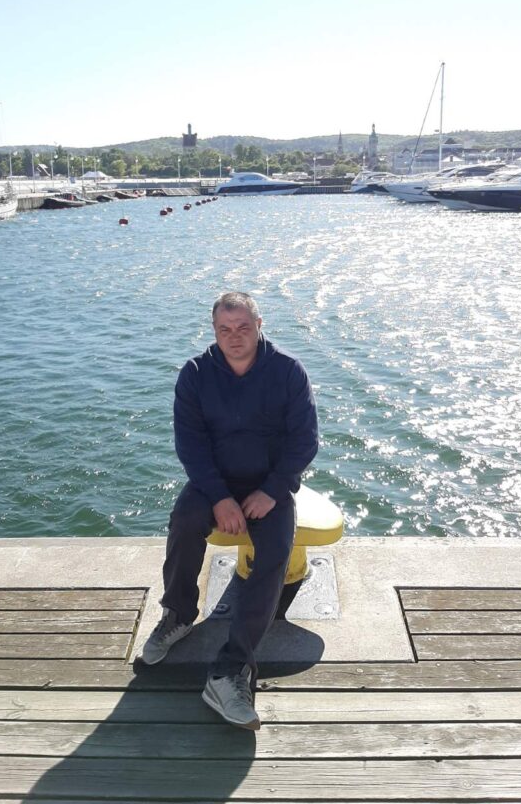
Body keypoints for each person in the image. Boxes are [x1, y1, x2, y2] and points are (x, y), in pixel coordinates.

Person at [140, 291, 318, 729]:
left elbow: (304, 441)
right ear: (214, 331)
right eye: (224, 329)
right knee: (184, 521)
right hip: (213, 482)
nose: (234, 337)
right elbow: (191, 445)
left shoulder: (288, 371)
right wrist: (219, 496)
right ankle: (178, 614)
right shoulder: (196, 374)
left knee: (274, 552)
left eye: (243, 328)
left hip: (269, 487)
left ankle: (230, 669)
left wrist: (272, 490)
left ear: (259, 325)